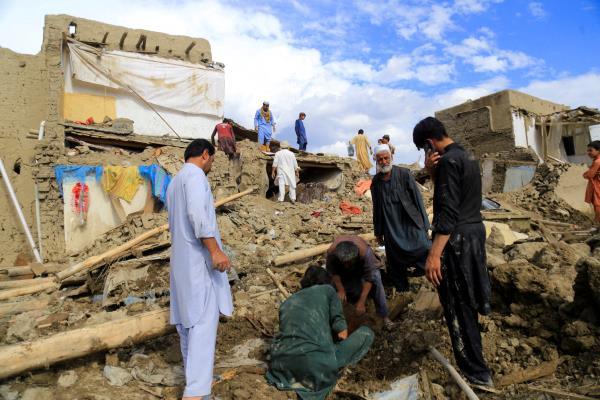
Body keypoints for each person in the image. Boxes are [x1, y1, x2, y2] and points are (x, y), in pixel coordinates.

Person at [413, 117, 493, 386]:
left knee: (458, 307)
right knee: (468, 300)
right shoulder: (466, 156)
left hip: (456, 240)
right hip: (473, 233)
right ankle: (478, 365)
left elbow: (447, 212)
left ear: (429, 144)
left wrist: (434, 254)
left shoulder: (448, 162)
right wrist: (432, 172)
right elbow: (453, 195)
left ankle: (476, 373)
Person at [166, 139, 234, 399]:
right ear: (206, 155)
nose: (211, 166)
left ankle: (196, 389)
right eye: (213, 160)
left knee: (188, 329)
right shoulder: (195, 177)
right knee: (203, 329)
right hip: (198, 266)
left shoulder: (175, 182)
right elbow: (197, 216)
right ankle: (195, 393)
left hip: (182, 266)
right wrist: (215, 250)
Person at [267, 266, 374, 400]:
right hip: (315, 367)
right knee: (367, 333)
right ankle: (340, 371)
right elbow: (341, 332)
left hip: (281, 368)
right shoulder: (327, 290)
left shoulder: (286, 303)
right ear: (326, 282)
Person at [371, 143, 431, 292]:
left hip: (409, 220)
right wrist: (378, 232)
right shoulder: (376, 182)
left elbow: (417, 199)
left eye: (386, 158)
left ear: (391, 157)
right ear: (376, 161)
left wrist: (425, 224)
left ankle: (426, 272)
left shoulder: (404, 174)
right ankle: (402, 289)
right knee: (395, 257)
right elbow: (376, 207)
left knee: (424, 246)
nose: (384, 162)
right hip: (391, 225)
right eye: (380, 160)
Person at [326, 235, 392, 328]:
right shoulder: (332, 253)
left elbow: (369, 278)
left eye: (349, 263)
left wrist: (361, 301)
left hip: (363, 266)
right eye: (345, 263)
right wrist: (341, 290)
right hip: (344, 267)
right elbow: (333, 272)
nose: (347, 266)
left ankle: (384, 315)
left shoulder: (365, 253)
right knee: (335, 287)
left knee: (376, 278)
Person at [583, 140, 600, 223]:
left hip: (597, 186)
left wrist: (585, 174)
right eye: (588, 150)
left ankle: (597, 222)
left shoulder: (597, 162)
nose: (588, 152)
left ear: (598, 150)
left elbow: (589, 175)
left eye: (591, 150)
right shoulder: (596, 161)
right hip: (596, 185)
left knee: (597, 204)